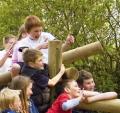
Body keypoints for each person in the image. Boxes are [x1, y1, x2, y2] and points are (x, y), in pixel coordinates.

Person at [21, 49, 65, 113]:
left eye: (42, 59)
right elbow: (52, 83)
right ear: (31, 64)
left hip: (40, 104)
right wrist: (61, 72)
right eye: (40, 60)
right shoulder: (31, 73)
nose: (43, 62)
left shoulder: (30, 67)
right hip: (36, 105)